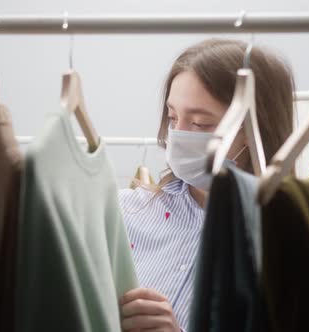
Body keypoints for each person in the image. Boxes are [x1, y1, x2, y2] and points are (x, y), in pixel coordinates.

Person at [118, 38, 295, 332]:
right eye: (173, 118)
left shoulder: (284, 238)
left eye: (200, 123)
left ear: (254, 130)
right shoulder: (124, 213)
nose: (179, 135)